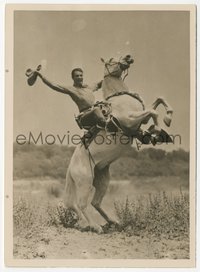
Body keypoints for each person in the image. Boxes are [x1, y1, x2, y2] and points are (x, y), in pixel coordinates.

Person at [27, 67, 107, 130]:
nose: (79, 77)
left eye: (81, 75)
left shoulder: (89, 87)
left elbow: (101, 83)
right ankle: (108, 129)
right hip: (85, 118)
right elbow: (54, 85)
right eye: (77, 76)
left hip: (97, 114)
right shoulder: (71, 89)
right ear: (73, 78)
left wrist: (111, 73)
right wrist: (39, 74)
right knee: (96, 110)